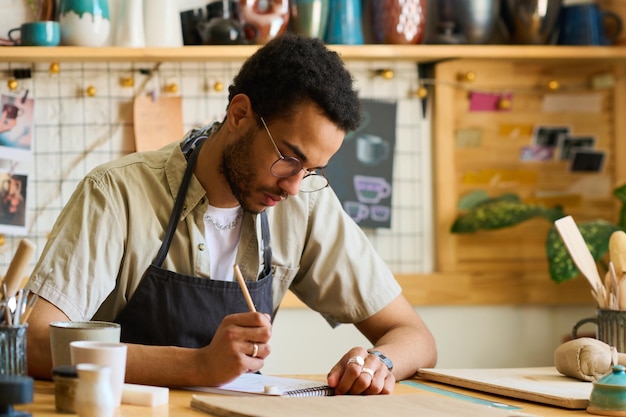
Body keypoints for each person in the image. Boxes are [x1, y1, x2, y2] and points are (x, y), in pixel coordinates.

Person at [25, 34, 437, 395]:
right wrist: (198, 366)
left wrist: (377, 363)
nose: (294, 186)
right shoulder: (118, 194)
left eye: (312, 170)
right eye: (289, 159)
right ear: (239, 115)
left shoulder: (304, 205)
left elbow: (415, 338)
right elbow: (35, 345)